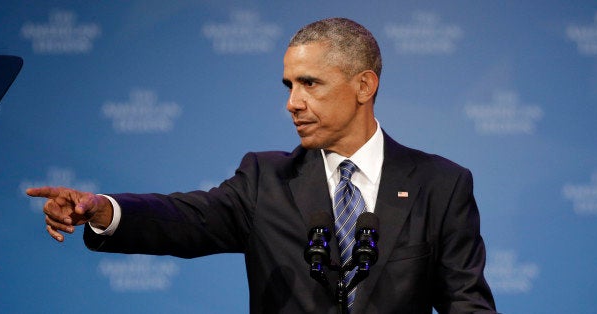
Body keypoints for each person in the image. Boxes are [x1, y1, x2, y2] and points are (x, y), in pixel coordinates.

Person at [27, 18, 496, 313]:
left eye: (310, 84)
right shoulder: (264, 180)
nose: (293, 103)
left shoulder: (440, 183)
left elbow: (465, 300)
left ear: (363, 85)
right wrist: (105, 210)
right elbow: (185, 219)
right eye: (289, 85)